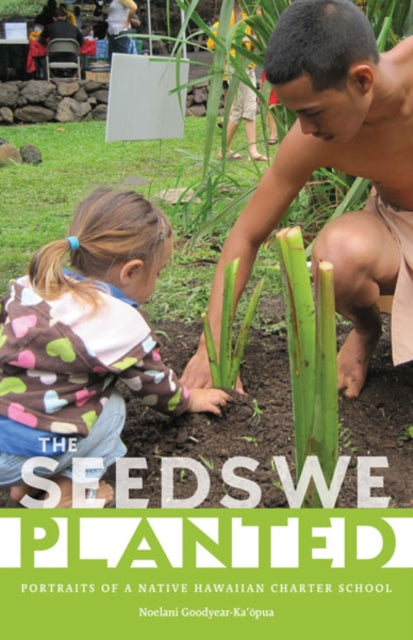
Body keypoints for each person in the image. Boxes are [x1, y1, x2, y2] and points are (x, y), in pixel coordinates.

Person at [181, 0, 413, 400]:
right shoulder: (310, 140)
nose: (304, 130)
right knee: (336, 257)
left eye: (313, 113)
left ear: (362, 80)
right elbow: (247, 235)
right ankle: (365, 330)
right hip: (396, 225)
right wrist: (211, 343)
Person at [0, 189, 229, 508]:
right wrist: (190, 400)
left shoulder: (31, 287)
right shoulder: (119, 324)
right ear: (132, 270)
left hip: (5, 444)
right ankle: (70, 492)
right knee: (113, 408)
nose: (157, 279)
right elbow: (154, 387)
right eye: (158, 272)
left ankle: (25, 487)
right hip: (32, 449)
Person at [216, 1, 268, 162]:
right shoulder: (235, 16)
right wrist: (250, 38)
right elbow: (229, 38)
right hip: (238, 66)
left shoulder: (249, 16)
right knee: (247, 108)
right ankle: (252, 150)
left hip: (247, 66)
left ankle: (224, 149)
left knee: (240, 110)